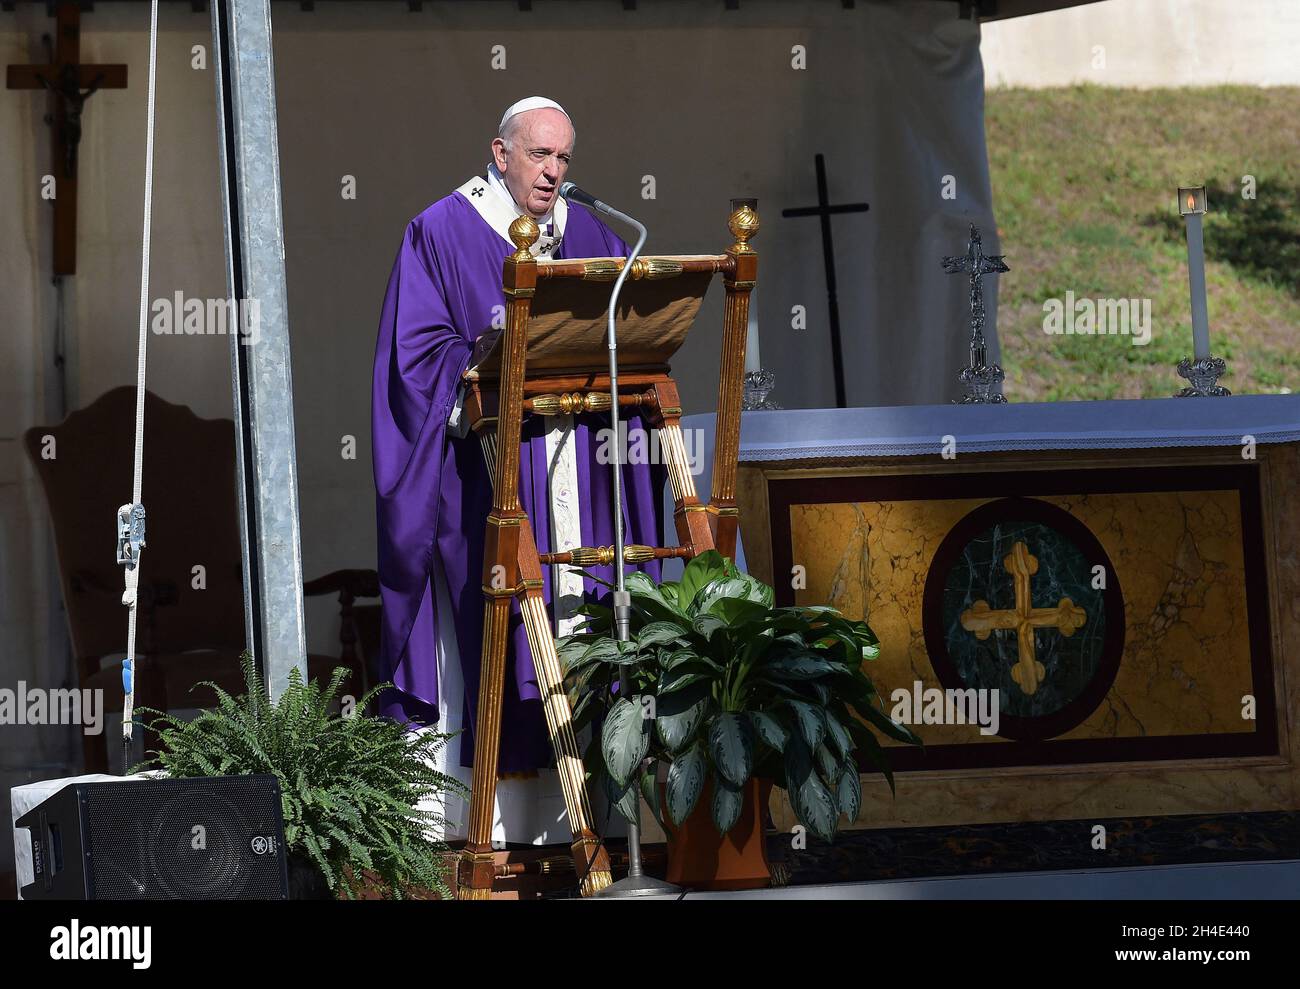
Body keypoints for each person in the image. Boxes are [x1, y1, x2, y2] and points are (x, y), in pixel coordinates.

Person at [371, 97, 665, 843]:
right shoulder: (439, 231)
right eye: (540, 156)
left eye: (565, 159)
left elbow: (626, 332)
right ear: (499, 154)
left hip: (576, 468)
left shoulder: (593, 232)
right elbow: (412, 360)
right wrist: (482, 347)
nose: (554, 172)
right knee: (499, 623)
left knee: (580, 614)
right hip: (492, 475)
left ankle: (586, 818)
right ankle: (494, 826)